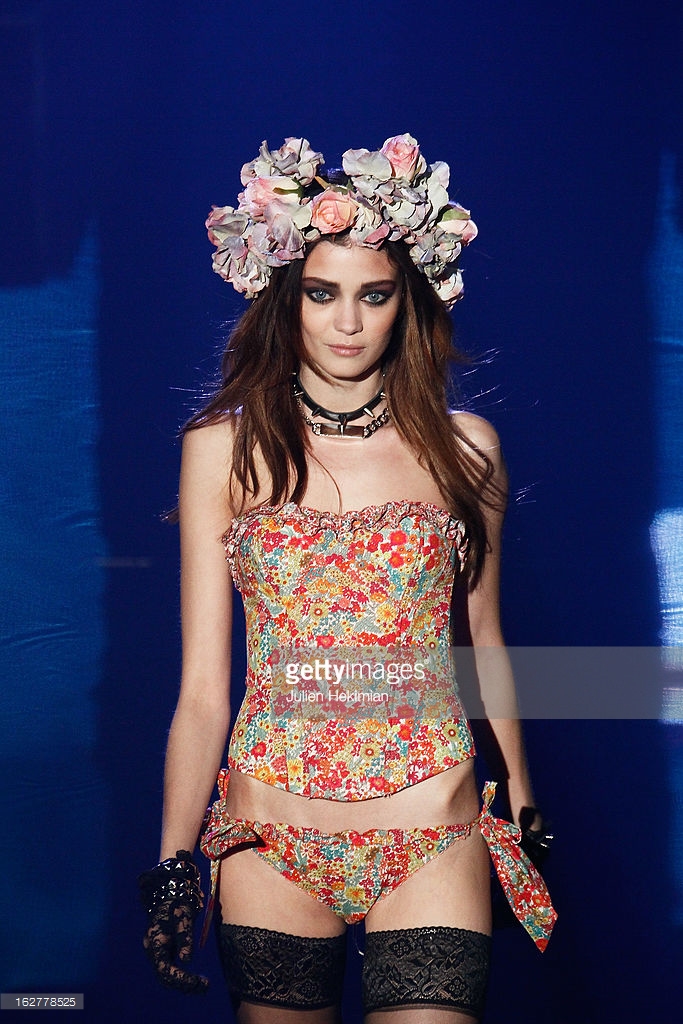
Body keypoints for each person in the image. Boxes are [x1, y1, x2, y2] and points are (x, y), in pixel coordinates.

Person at [139, 135, 556, 1022]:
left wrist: (521, 799)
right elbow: (204, 688)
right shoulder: (221, 451)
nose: (348, 323)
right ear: (283, 297)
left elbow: (483, 642)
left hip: (432, 825)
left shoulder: (466, 451)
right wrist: (174, 861)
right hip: (271, 835)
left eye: (374, 294)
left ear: (408, 300)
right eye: (321, 293)